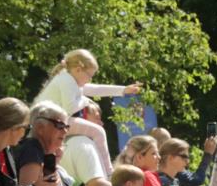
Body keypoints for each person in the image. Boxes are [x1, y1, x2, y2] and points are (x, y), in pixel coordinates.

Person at [34, 49, 140, 177]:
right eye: (89, 75)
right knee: (98, 132)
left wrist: (123, 90)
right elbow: (70, 108)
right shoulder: (66, 80)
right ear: (78, 69)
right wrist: (86, 101)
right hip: (47, 122)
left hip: (49, 120)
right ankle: (109, 174)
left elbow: (95, 89)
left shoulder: (69, 78)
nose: (90, 79)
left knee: (97, 131)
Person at [15, 101, 92, 186]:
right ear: (40, 127)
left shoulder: (48, 156)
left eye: (67, 126)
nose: (65, 131)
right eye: (60, 125)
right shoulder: (32, 148)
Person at [117, 135, 185, 186]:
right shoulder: (146, 175)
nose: (159, 157)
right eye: (154, 153)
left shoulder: (121, 175)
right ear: (139, 157)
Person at [60, 98, 111, 186]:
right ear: (81, 117)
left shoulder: (60, 145)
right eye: (97, 118)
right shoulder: (85, 144)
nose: (101, 123)